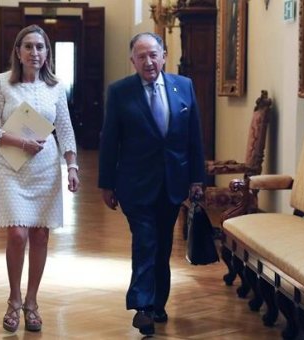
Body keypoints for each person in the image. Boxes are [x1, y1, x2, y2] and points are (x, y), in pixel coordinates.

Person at [98, 32, 205, 336]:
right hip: (134, 183)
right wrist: (107, 183)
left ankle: (158, 303)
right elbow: (110, 141)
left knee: (163, 245)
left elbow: (194, 137)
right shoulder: (120, 92)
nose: (148, 61)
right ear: (132, 60)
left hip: (174, 181)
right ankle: (142, 306)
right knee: (145, 241)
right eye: (141, 56)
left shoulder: (183, 86)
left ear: (164, 55)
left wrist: (197, 178)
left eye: (153, 54)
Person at [0, 24, 80, 333]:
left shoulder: (55, 87)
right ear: (18, 53)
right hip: (11, 167)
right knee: (17, 235)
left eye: (40, 47)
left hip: (45, 169)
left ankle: (32, 302)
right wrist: (19, 142)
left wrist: (72, 166)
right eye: (29, 47)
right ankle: (14, 299)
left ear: (47, 53)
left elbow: (64, 129)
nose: (34, 52)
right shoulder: (2, 84)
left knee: (40, 236)